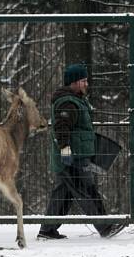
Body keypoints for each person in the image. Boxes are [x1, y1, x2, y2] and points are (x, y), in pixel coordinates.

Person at [37, 64, 125, 240]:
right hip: (71, 158)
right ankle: (105, 227)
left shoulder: (75, 100)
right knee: (87, 191)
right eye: (83, 81)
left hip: (76, 156)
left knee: (64, 194)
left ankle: (47, 230)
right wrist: (65, 150)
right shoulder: (67, 103)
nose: (87, 84)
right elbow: (61, 128)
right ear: (74, 82)